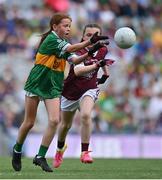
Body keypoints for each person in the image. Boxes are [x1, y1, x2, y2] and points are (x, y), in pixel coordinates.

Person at [11, 14, 109, 172]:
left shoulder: (64, 43)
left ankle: (40, 156)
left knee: (55, 121)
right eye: (65, 25)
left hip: (53, 86)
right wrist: (90, 42)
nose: (68, 28)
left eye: (69, 25)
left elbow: (75, 60)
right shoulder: (51, 39)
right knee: (29, 122)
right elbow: (71, 49)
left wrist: (91, 52)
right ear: (54, 26)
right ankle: (17, 150)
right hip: (37, 83)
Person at [53, 24, 114, 168]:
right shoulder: (76, 50)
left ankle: (85, 152)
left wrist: (105, 72)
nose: (92, 37)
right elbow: (79, 71)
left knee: (86, 115)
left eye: (96, 34)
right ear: (83, 37)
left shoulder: (103, 49)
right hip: (70, 91)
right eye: (88, 35)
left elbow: (101, 59)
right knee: (65, 125)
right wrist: (98, 66)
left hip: (89, 88)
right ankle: (59, 149)